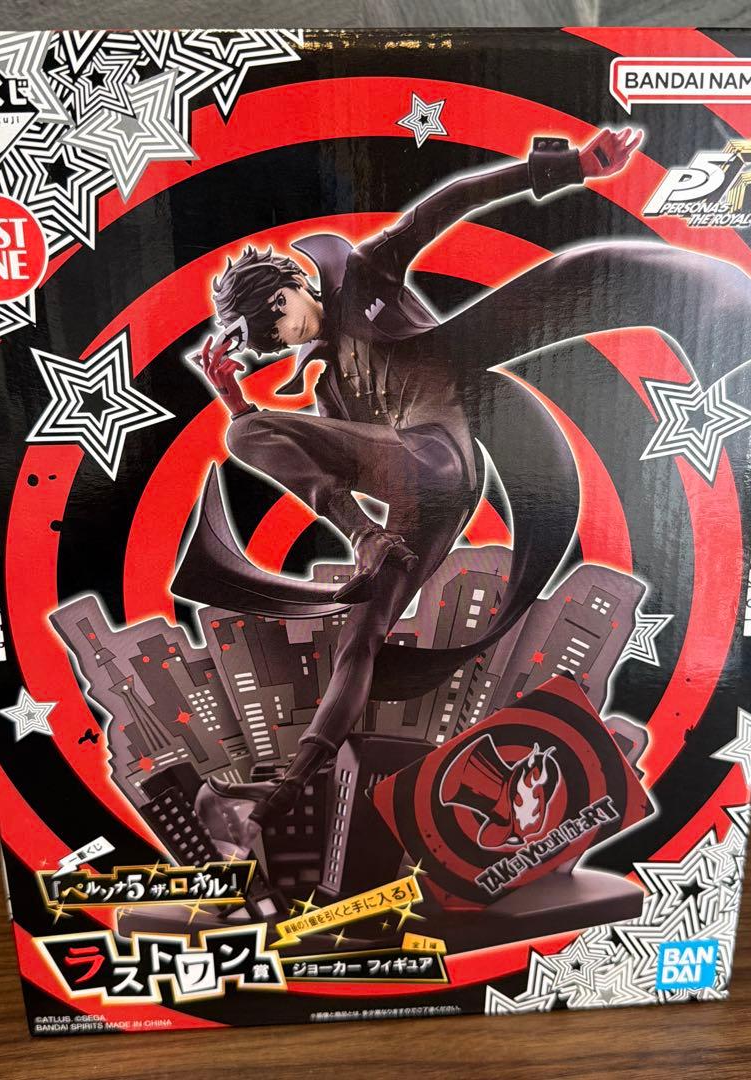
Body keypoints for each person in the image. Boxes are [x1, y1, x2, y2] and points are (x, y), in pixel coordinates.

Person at [181, 130, 643, 832]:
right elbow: (328, 462)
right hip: (421, 505)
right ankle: (290, 787)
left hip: (437, 457)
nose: (282, 341)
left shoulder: (365, 275)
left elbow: (450, 201)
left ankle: (363, 539)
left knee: (246, 434)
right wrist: (240, 404)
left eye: (277, 322)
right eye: (271, 344)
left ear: (289, 288)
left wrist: (569, 165)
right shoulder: (330, 385)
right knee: (360, 637)